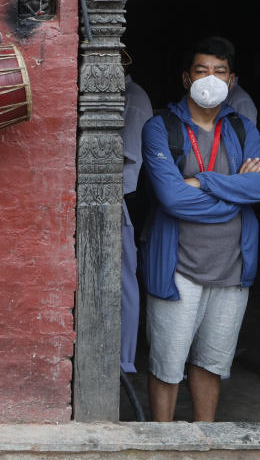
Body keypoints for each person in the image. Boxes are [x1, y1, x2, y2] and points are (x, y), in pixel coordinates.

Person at [140, 36, 260, 421]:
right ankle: (162, 443)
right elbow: (173, 199)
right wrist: (236, 191)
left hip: (232, 268)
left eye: (220, 72)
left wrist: (204, 181)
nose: (210, 80)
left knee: (211, 363)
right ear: (186, 78)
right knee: (167, 365)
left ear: (232, 81)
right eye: (202, 71)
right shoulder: (159, 127)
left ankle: (204, 439)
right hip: (178, 268)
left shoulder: (243, 128)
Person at [121, 73, 153, 374]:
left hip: (126, 195)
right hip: (121, 193)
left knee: (125, 280)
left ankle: (124, 359)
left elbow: (123, 155)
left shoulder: (134, 98)